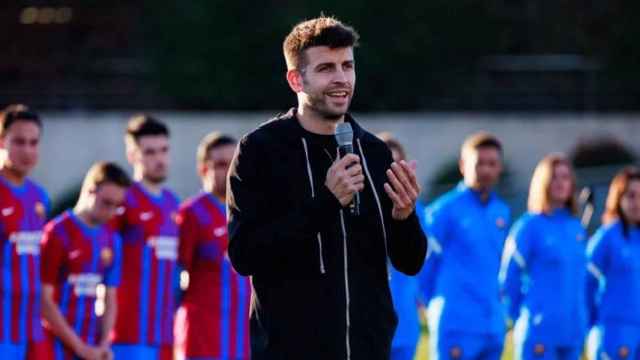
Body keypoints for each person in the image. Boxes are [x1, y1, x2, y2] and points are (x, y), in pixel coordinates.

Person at [227, 16, 427, 360]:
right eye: (326, 68)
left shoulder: (375, 152)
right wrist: (325, 203)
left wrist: (404, 217)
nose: (341, 79)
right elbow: (244, 255)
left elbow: (410, 261)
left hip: (368, 349)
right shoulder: (260, 151)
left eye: (347, 66)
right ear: (295, 79)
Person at [420, 132, 510, 360]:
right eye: (480, 163)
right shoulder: (443, 211)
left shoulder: (502, 211)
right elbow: (421, 262)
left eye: (492, 164)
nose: (486, 170)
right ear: (463, 165)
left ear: (499, 168)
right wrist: (436, 306)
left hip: (492, 324)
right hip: (456, 323)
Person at [500, 154, 588, 360]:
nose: (560, 183)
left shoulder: (576, 228)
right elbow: (508, 279)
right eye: (554, 177)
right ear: (543, 182)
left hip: (573, 334)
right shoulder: (528, 226)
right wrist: (523, 317)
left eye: (565, 177)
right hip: (538, 334)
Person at [40, 162, 131, 360]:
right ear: (90, 191)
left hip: (91, 347)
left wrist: (105, 343)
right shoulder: (56, 233)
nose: (111, 211)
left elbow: (109, 296)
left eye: (117, 206)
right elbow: (43, 300)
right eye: (106, 203)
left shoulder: (111, 239)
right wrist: (79, 347)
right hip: (54, 347)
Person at [175, 133, 250, 360]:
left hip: (242, 339)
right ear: (203, 169)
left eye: (233, 163)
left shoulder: (249, 213)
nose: (228, 171)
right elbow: (175, 278)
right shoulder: (190, 214)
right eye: (220, 164)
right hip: (202, 339)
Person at [110, 115, 180, 360]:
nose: (159, 159)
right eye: (150, 152)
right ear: (132, 155)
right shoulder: (122, 200)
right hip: (126, 334)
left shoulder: (173, 203)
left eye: (163, 150)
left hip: (164, 333)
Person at [0, 108, 50, 359]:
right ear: (1, 142)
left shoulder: (40, 197)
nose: (28, 150)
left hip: (29, 328)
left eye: (34, 142)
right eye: (19, 142)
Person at [378, 132, 425, 360]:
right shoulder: (356, 210)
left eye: (396, 166)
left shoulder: (417, 213)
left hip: (405, 323)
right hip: (369, 322)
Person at [586, 166, 640, 360]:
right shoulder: (607, 237)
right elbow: (585, 284)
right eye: (631, 196)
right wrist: (593, 324)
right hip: (613, 334)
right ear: (618, 199)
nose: (637, 203)